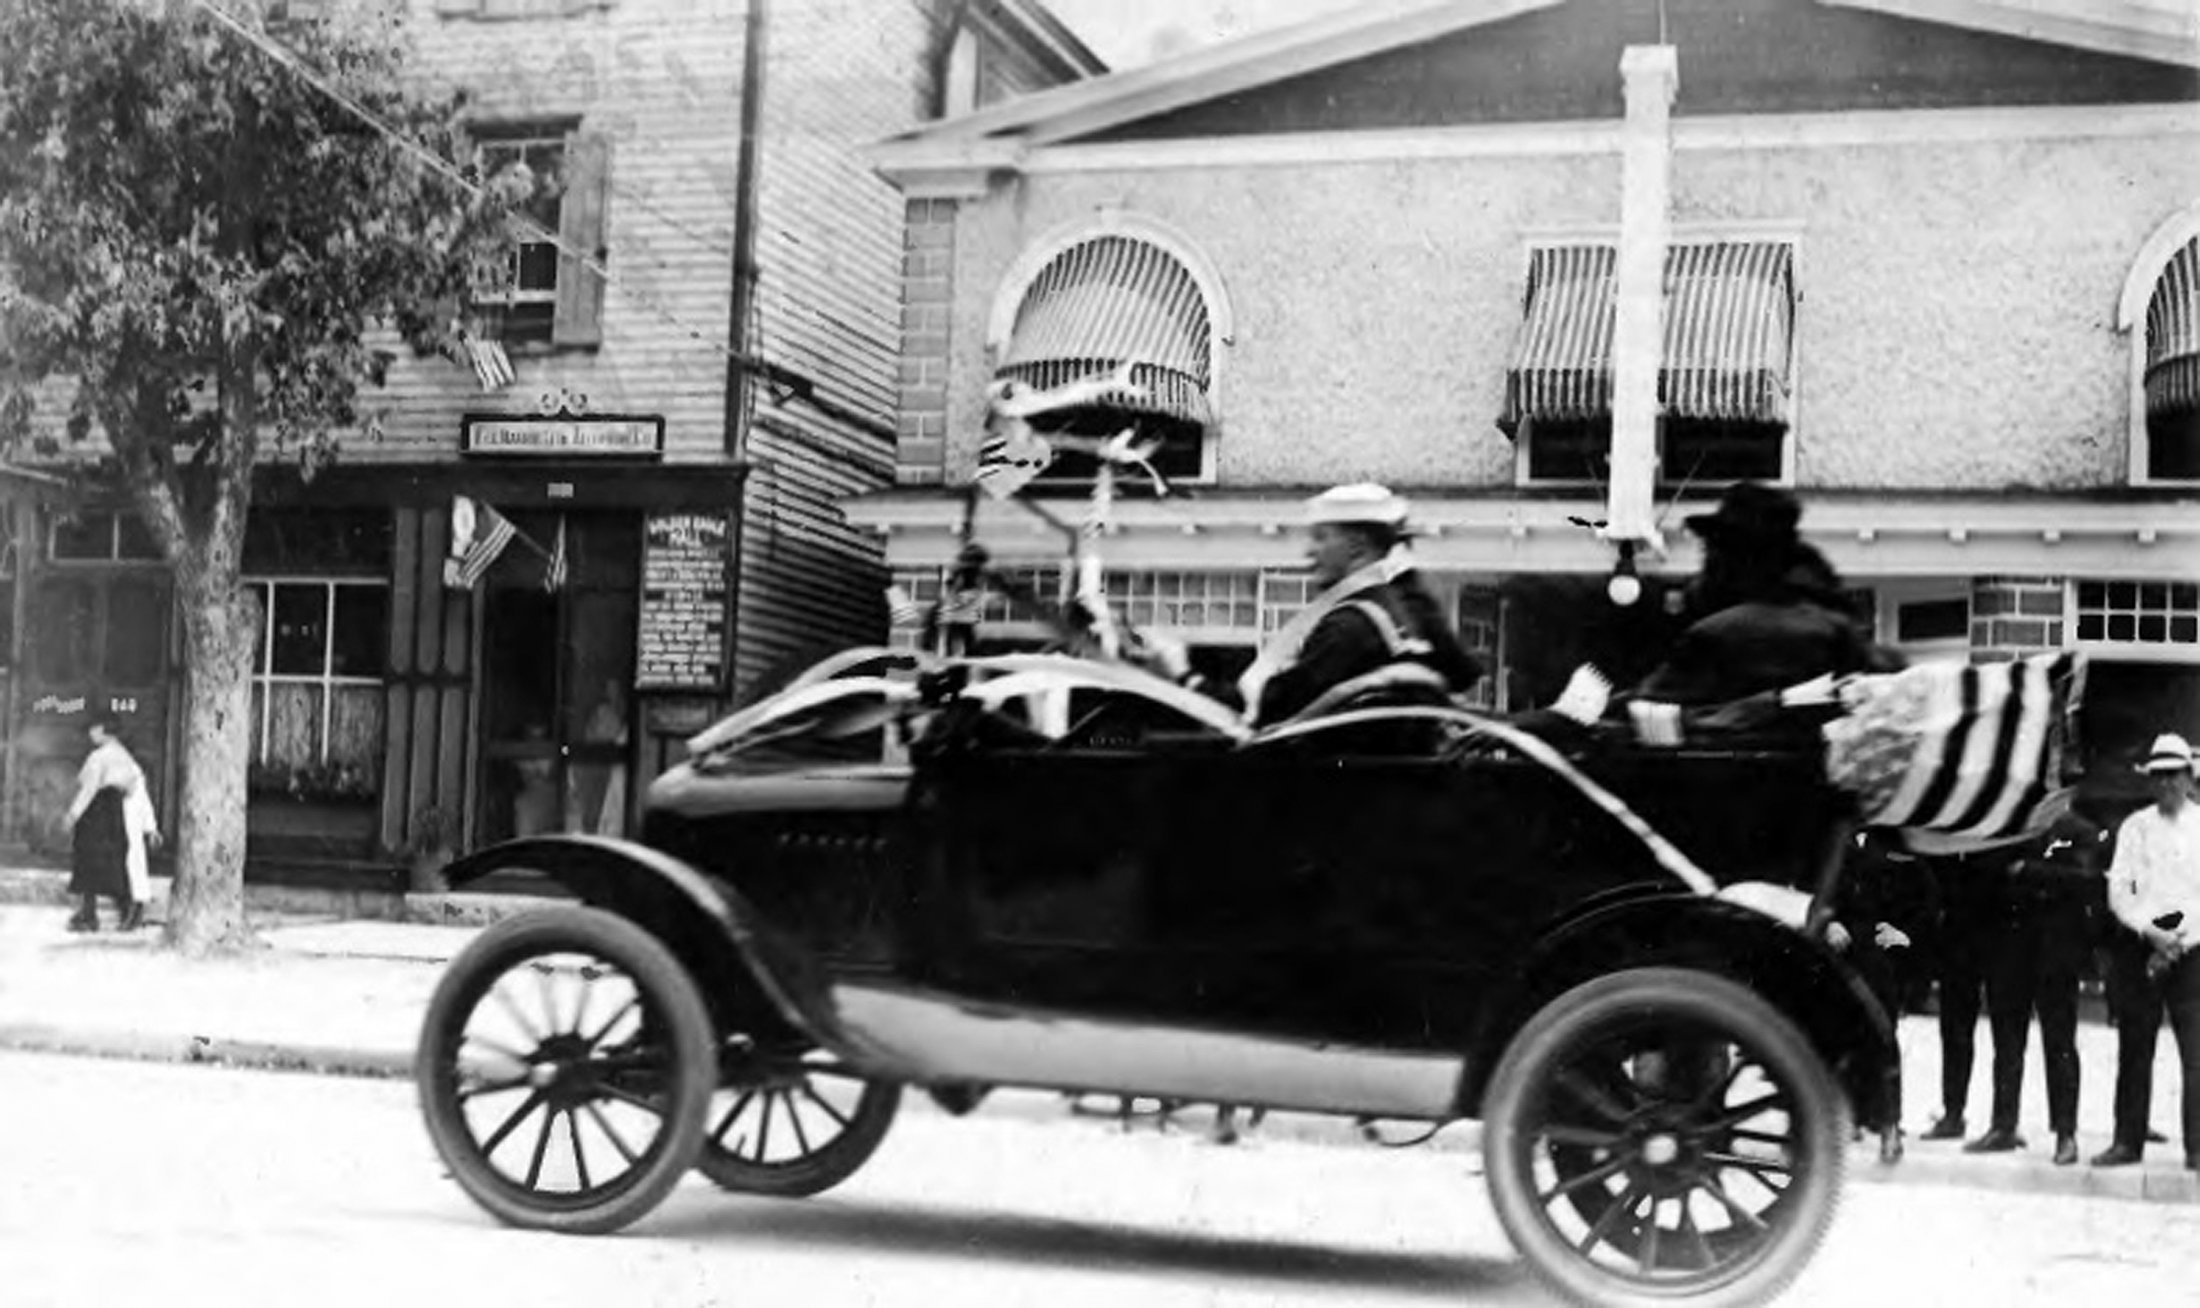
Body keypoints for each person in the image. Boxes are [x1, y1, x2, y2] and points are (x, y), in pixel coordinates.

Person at [1143, 483, 1478, 726]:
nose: (1308, 551)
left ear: (1357, 546)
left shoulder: (1352, 627)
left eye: (1320, 537)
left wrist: (1181, 674)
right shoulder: (1396, 615)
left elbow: (1259, 713)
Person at [1631, 482, 1884, 711]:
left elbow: (1651, 707)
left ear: (1727, 558)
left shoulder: (1716, 635)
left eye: (1708, 550)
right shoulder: (1839, 631)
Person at [1961, 810, 2103, 1164]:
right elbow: (1988, 876)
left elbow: (2088, 881)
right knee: (2006, 1042)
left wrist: (2029, 872)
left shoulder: (2080, 830)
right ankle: (2003, 1125)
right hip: (2009, 948)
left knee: (2060, 1044)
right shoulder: (2005, 825)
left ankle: (2066, 1133)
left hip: (2057, 951)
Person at [2092, 733, 2200, 1169]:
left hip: (2193, 954)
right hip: (2142, 950)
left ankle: (2197, 1147)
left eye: (2174, 774)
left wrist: (2181, 940)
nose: (2166, 783)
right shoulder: (2135, 828)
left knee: (2197, 1054)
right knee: (2135, 1049)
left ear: (2190, 778)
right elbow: (2122, 888)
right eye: (2158, 776)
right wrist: (2150, 932)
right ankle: (2127, 1141)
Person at [62, 713, 158, 933]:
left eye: (93, 729)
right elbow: (138, 789)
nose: (90, 734)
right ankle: (115, 912)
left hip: (98, 812)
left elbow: (88, 788)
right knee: (116, 862)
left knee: (88, 861)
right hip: (117, 814)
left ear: (103, 730)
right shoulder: (127, 757)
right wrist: (150, 825)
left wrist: (73, 814)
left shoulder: (100, 757)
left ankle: (89, 915)